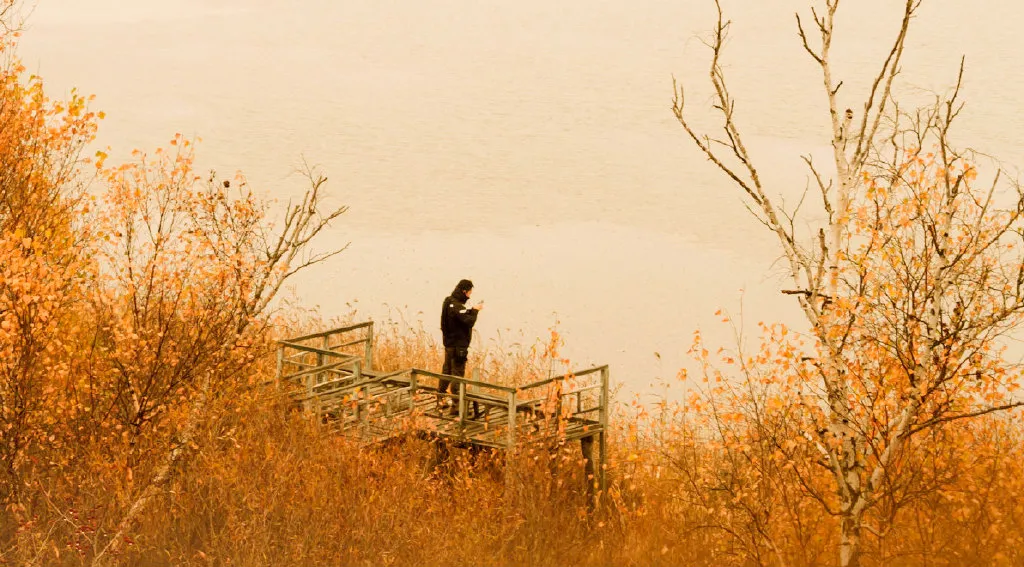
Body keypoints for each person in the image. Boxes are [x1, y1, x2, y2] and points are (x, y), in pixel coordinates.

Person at [439, 279, 483, 414]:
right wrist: (475, 311)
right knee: (457, 376)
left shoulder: (448, 302)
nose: (469, 296)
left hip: (449, 344)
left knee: (446, 372)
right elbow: (469, 321)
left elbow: (457, 316)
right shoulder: (458, 306)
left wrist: (469, 309)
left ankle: (440, 401)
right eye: (469, 293)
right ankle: (457, 408)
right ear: (464, 291)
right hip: (459, 348)